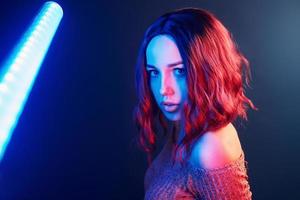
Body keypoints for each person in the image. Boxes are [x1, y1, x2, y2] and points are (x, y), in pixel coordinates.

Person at [133, 7, 257, 200]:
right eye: (154, 72)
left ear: (208, 70)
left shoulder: (211, 144)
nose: (163, 89)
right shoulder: (183, 120)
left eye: (179, 71)